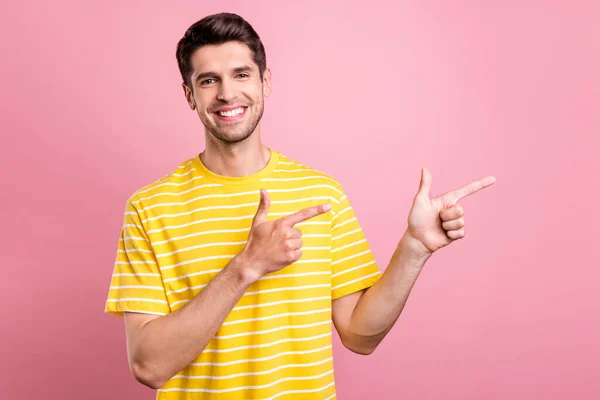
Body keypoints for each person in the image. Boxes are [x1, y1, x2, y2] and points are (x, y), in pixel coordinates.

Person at [105, 12, 496, 399]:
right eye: (209, 80)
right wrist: (247, 265)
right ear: (190, 95)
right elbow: (148, 366)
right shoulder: (150, 207)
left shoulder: (321, 194)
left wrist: (414, 249)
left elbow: (360, 336)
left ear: (265, 81)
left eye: (241, 74)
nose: (227, 93)